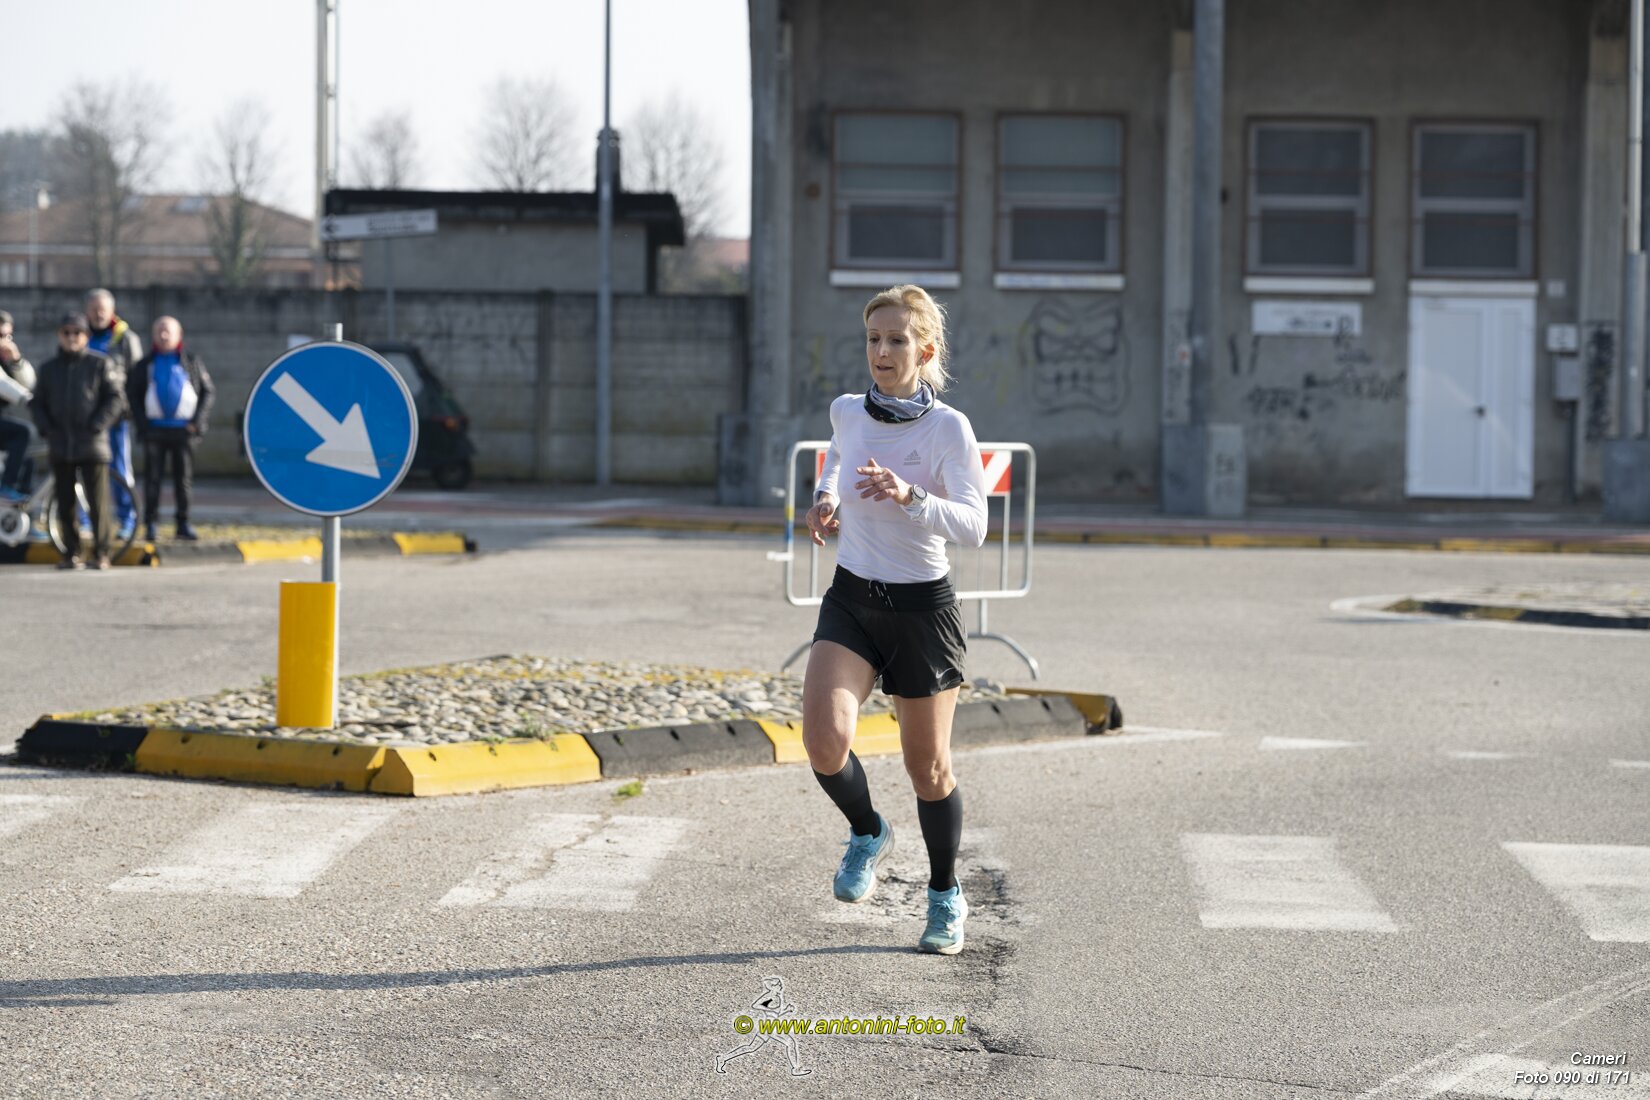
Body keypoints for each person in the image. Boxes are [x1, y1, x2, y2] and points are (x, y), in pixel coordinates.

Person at [802, 284, 988, 955]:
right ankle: (867, 831)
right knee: (824, 741)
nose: (882, 351)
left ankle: (944, 894)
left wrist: (911, 497)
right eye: (873, 339)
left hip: (921, 610)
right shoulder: (848, 411)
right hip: (853, 598)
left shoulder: (948, 429)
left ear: (925, 351)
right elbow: (837, 457)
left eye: (897, 340)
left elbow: (975, 527)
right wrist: (824, 498)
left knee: (928, 768)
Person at [31, 312, 127, 570]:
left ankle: (102, 553)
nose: (72, 337)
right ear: (59, 335)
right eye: (67, 332)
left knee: (98, 503)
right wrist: (47, 428)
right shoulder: (48, 369)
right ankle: (71, 553)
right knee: (65, 504)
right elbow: (37, 403)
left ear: (86, 336)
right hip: (60, 444)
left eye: (77, 333)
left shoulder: (100, 364)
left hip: (92, 444)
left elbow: (115, 398)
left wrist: (97, 424)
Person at [127, 316, 213, 541]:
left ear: (179, 335)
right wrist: (142, 424)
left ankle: (183, 523)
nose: (164, 335)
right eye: (159, 331)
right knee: (152, 480)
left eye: (168, 331)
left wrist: (197, 423)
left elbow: (207, 392)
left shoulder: (191, 362)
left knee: (183, 480)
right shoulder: (144, 365)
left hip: (184, 432)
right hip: (154, 431)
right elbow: (132, 395)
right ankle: (151, 523)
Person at [84, 288, 142, 540]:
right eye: (94, 309)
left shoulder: (125, 339)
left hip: (115, 417)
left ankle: (126, 519)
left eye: (103, 309)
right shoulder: (78, 335)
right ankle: (85, 520)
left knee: (119, 467)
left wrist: (127, 409)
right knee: (84, 469)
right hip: (85, 418)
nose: (99, 314)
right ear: (87, 311)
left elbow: (137, 378)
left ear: (112, 311)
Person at [0, 310, 36, 499]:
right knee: (24, 432)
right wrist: (28, 399)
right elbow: (3, 384)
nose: (5, 341)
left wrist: (17, 361)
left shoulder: (6, 358)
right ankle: (6, 488)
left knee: (27, 460)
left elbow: (29, 383)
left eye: (8, 336)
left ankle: (20, 509)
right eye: (0, 335)